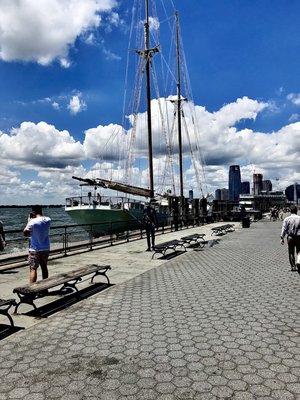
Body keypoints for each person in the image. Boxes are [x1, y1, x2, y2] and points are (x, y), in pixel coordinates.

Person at [23, 205, 51, 284]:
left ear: (33, 212)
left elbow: (25, 233)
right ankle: (45, 288)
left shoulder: (32, 221)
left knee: (33, 268)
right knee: (44, 267)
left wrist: (29, 221)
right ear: (41, 210)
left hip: (35, 249)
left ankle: (32, 290)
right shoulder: (48, 219)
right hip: (46, 247)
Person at [280, 205, 300, 272]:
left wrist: (282, 237)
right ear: (296, 211)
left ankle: (293, 267)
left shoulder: (287, 219)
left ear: (290, 211)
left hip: (290, 237)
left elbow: (284, 229)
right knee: (299, 251)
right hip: (298, 237)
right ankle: (299, 262)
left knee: (291, 252)